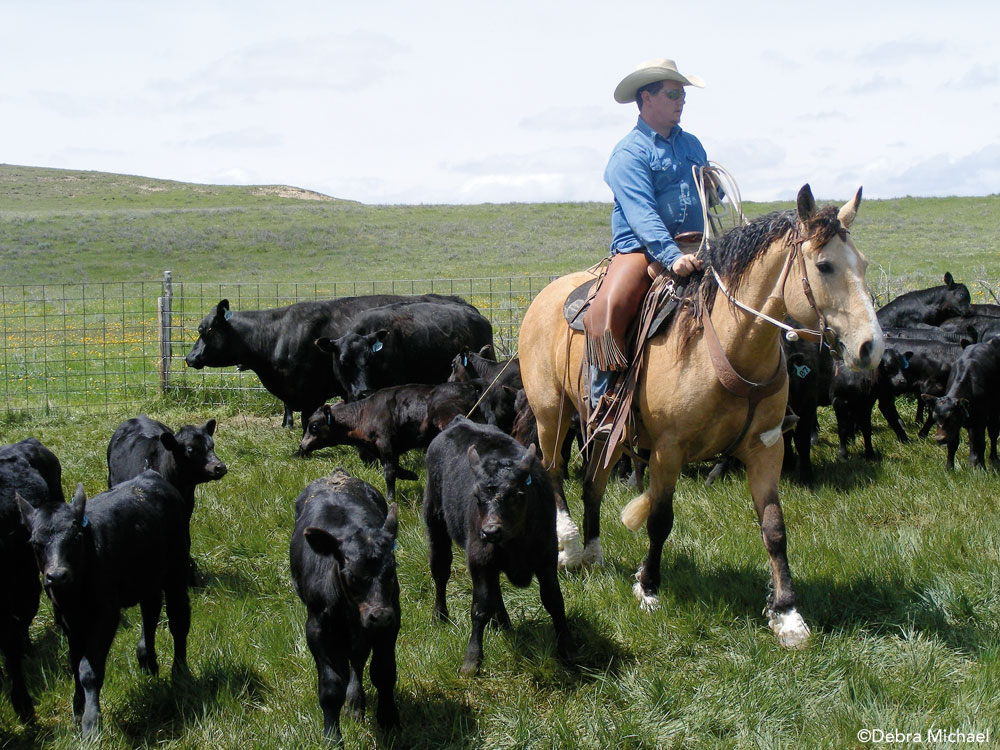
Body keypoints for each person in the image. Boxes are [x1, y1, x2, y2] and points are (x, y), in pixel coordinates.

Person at [583, 57, 711, 429]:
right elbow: (642, 215)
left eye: (683, 96)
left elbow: (706, 198)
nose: (681, 102)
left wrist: (713, 192)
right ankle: (603, 403)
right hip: (639, 251)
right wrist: (670, 257)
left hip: (697, 245)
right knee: (610, 308)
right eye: (673, 94)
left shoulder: (693, 146)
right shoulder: (628, 154)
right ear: (647, 98)